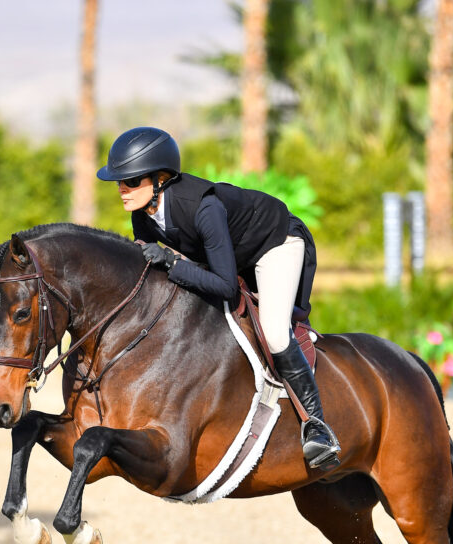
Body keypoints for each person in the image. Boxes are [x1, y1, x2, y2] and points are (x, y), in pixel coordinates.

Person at [96, 126, 340, 470]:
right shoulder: (143, 215)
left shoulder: (203, 207)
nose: (122, 189)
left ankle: (317, 427)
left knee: (272, 329)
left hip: (275, 244)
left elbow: (225, 286)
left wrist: (173, 261)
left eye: (131, 181)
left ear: (161, 179)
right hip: (231, 256)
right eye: (119, 182)